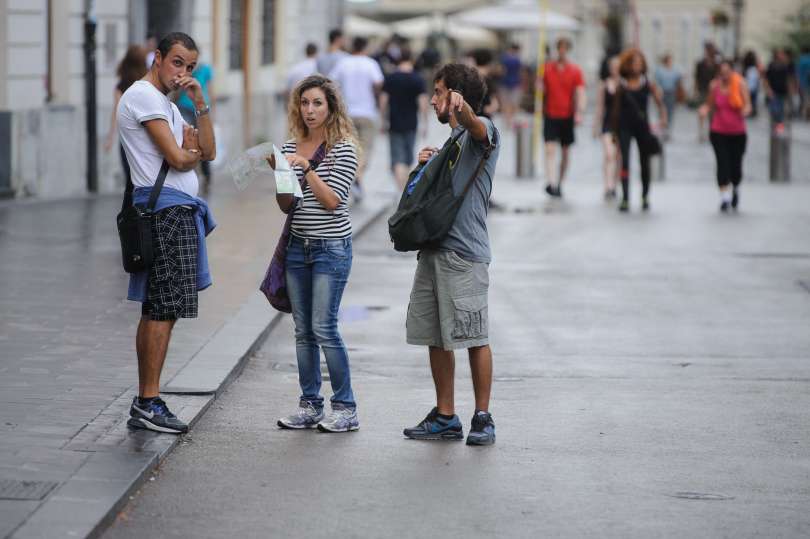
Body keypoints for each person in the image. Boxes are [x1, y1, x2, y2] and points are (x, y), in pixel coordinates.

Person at [119, 32, 216, 434]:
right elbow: (179, 158)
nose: (183, 72)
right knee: (161, 306)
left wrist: (200, 104)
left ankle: (149, 400)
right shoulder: (142, 96)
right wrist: (188, 152)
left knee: (167, 306)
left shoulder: (170, 106)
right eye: (177, 62)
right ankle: (148, 401)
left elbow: (207, 152)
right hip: (164, 212)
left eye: (190, 66)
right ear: (157, 58)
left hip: (178, 211)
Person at [402, 63, 501, 446]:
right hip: (433, 250)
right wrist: (425, 167)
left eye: (440, 92)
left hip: (464, 253)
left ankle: (483, 416)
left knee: (475, 334)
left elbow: (479, 129)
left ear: (456, 96)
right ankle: (445, 416)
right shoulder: (448, 146)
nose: (433, 100)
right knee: (436, 336)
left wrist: (466, 112)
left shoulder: (483, 132)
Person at [274, 75, 360, 433]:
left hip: (330, 249)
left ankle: (346, 407)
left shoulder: (344, 147)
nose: (310, 110)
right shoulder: (291, 145)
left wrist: (306, 169)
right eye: (304, 103)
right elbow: (285, 206)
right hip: (297, 247)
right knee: (302, 330)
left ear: (331, 107)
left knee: (324, 328)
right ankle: (309, 404)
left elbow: (331, 201)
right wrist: (281, 173)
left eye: (317, 103)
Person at [611, 48, 667, 212]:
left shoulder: (647, 83)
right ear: (627, 65)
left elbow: (659, 103)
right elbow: (615, 109)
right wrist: (614, 132)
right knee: (625, 161)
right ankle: (626, 197)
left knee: (645, 162)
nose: (636, 66)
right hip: (624, 127)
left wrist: (663, 118)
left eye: (639, 63)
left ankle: (645, 196)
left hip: (643, 127)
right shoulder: (621, 85)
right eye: (633, 63)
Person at [329, 36, 384, 202]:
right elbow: (379, 83)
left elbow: (331, 82)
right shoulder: (370, 64)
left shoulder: (344, 63)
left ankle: (353, 180)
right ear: (365, 47)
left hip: (347, 113)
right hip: (367, 112)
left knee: (349, 149)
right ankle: (357, 178)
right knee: (366, 150)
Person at [700, 59, 751, 212]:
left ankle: (735, 187)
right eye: (722, 73)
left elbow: (747, 104)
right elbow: (709, 104)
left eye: (727, 72)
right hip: (718, 131)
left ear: (732, 71)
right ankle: (724, 197)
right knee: (722, 163)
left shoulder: (740, 84)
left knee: (736, 165)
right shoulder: (714, 86)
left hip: (737, 132)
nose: (725, 76)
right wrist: (704, 110)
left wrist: (746, 110)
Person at [540, 38, 585, 198]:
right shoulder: (546, 69)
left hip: (567, 115)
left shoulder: (575, 70)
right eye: (560, 48)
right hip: (550, 114)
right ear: (556, 49)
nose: (562, 51)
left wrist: (579, 112)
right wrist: (539, 86)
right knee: (549, 149)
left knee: (565, 152)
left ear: (568, 50)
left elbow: (580, 92)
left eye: (565, 48)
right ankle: (551, 182)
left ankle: (560, 182)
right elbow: (540, 90)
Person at [104, 45, 147, 210]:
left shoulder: (121, 85)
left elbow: (116, 111)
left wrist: (110, 138)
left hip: (127, 139)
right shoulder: (146, 83)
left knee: (130, 178)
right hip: (145, 137)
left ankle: (132, 211)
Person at [380, 48, 428, 191]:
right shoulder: (417, 79)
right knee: (407, 159)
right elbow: (423, 102)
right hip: (411, 123)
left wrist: (383, 121)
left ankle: (400, 190)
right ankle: (404, 190)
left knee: (397, 158)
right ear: (411, 60)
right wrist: (425, 123)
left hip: (394, 123)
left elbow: (383, 101)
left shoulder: (391, 78)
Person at [175, 58, 215, 194]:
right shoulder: (184, 70)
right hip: (184, 107)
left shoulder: (206, 69)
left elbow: (210, 91)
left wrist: (209, 112)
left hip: (200, 111)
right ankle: (192, 173)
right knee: (186, 142)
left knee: (204, 143)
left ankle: (206, 175)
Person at [594, 55, 620, 200]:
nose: (614, 70)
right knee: (609, 154)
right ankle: (607, 185)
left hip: (621, 124)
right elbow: (600, 107)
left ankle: (614, 185)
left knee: (617, 156)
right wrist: (595, 126)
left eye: (617, 67)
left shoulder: (624, 84)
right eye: (612, 67)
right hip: (607, 124)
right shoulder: (604, 85)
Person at [694, 42, 719, 142]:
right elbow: (696, 77)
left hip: (713, 92)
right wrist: (696, 90)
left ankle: (711, 131)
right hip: (703, 90)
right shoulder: (700, 63)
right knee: (702, 112)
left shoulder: (717, 64)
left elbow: (719, 77)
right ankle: (701, 132)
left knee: (712, 113)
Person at [655, 53, 681, 140]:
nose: (670, 62)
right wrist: (658, 91)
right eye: (669, 60)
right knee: (662, 111)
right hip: (662, 92)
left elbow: (678, 79)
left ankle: (668, 129)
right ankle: (662, 128)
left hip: (671, 92)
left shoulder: (674, 70)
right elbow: (657, 82)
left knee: (670, 111)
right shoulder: (660, 70)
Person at [498, 43, 523, 127]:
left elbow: (502, 70)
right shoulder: (517, 60)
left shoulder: (505, 58)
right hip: (514, 83)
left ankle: (507, 120)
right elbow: (520, 72)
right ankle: (510, 120)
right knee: (513, 104)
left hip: (506, 83)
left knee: (506, 104)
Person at [742, 51, 762, 118]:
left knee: (749, 99)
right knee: (752, 100)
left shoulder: (747, 68)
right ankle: (752, 111)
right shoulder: (753, 69)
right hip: (752, 86)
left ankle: (751, 111)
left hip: (749, 86)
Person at [798, 46, 810, 120]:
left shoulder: (801, 60)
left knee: (805, 99)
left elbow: (798, 73)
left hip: (804, 82)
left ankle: (807, 114)